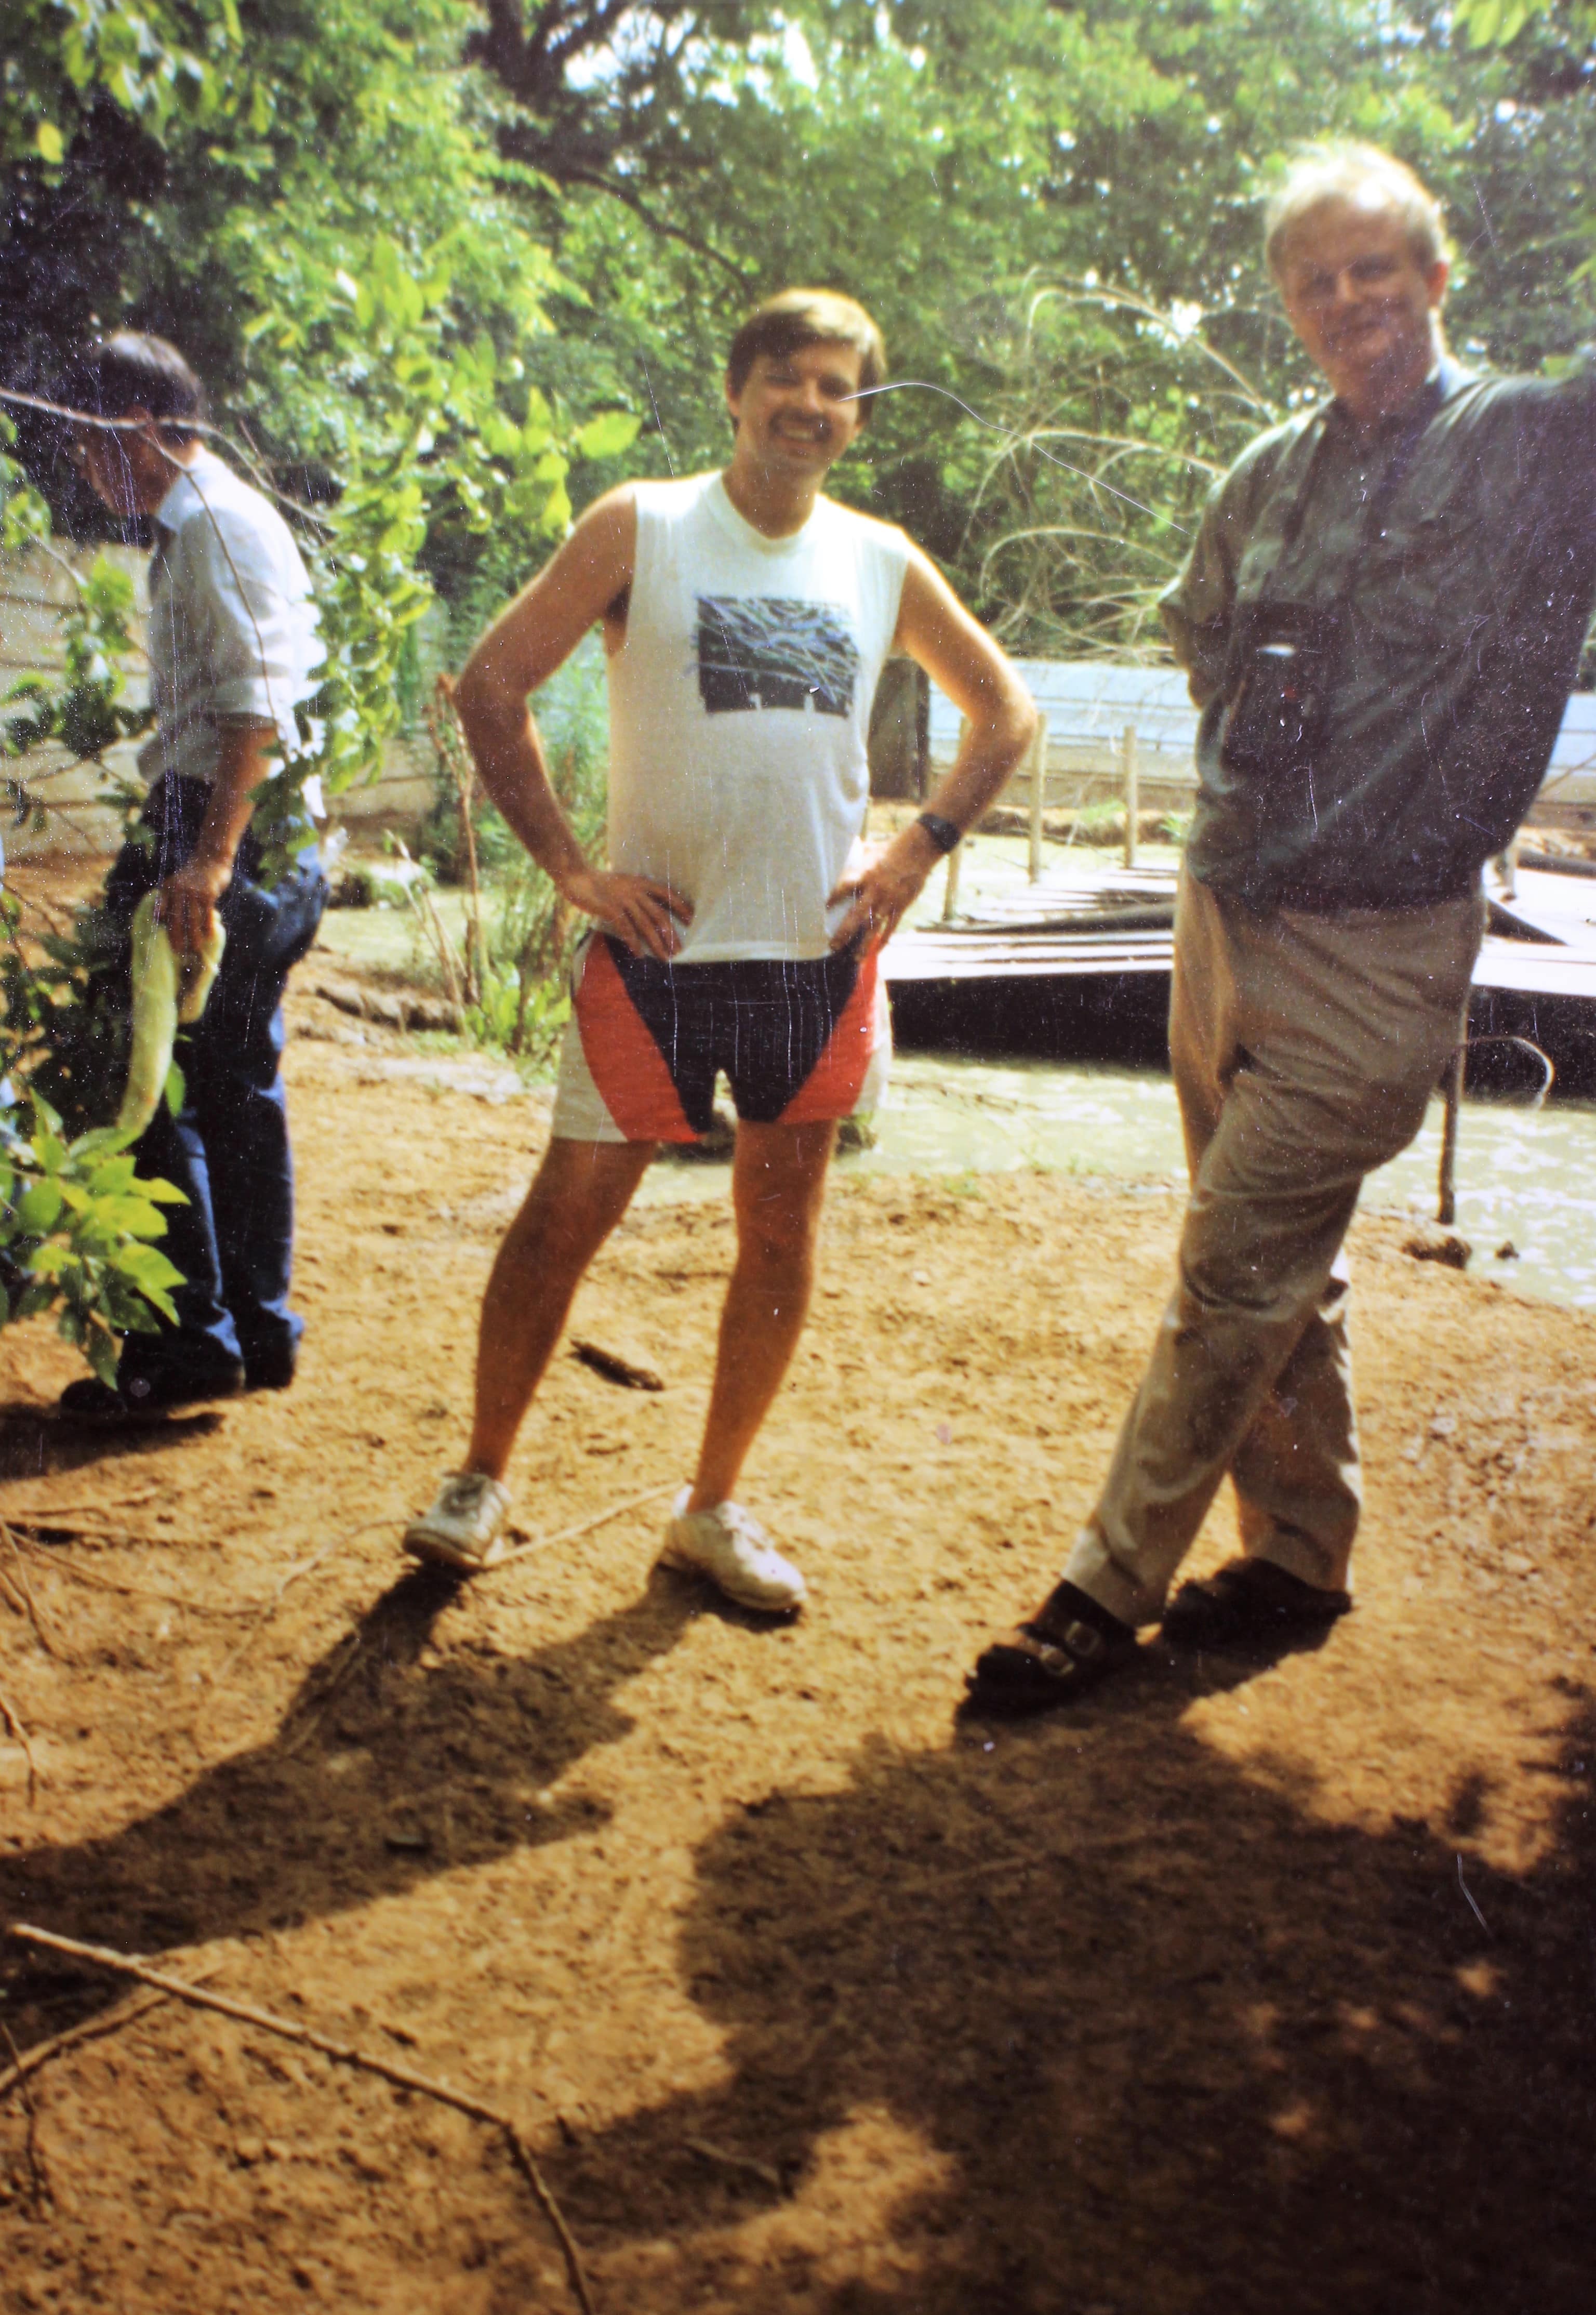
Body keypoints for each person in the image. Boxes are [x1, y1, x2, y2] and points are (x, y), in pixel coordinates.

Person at [968, 142, 1596, 1711]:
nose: (1346, 301)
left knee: (1230, 1267)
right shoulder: (1267, 471)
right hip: (1224, 908)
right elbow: (1207, 654)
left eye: (1375, 268)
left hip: (1384, 943)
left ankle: (1106, 1589)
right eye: (1314, 281)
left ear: (1440, 275)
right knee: (1276, 1266)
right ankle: (1302, 1552)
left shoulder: (1534, 445)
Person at [405, 288, 1036, 1608]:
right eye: (791, 379)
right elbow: (492, 681)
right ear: (739, 389)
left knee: (779, 1234)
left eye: (841, 390)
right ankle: (478, 1475)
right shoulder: (644, 525)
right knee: (563, 1217)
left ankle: (712, 1507)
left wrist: (919, 848)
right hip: (658, 956)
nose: (814, 407)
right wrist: (572, 869)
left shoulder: (880, 559)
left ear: (859, 417)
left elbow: (1006, 713)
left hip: (814, 959)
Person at [54, 330, 328, 1413]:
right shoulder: (208, 521)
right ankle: (257, 1332)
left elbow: (255, 709)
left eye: (86, 446)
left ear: (132, 429)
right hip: (262, 829)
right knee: (233, 1088)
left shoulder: (210, 524)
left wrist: (208, 861)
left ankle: (188, 1341)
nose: (82, 470)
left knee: (136, 1071)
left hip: (225, 828)